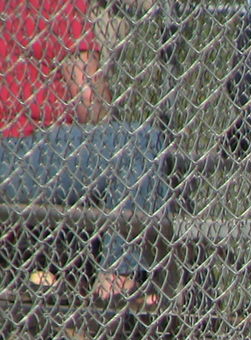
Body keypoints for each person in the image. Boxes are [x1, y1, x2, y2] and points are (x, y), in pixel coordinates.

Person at [0, 0, 170, 306]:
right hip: (19, 152)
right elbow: (88, 96)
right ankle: (118, 283)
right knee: (139, 144)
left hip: (16, 152)